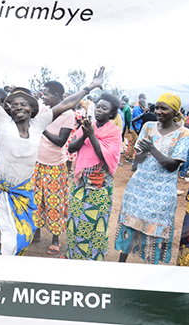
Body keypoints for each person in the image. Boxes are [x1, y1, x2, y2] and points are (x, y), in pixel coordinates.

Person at [0, 25, 103, 256]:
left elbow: (66, 104)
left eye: (24, 104)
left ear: (33, 109)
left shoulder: (39, 123)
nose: (18, 106)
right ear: (8, 109)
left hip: (23, 192)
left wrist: (89, 87)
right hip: (2, 189)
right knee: (2, 236)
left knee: (19, 238)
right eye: (14, 104)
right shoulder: (3, 121)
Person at [114, 93, 189, 264]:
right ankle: (121, 265)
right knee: (130, 225)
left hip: (161, 193)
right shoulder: (148, 127)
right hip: (138, 188)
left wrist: (152, 150)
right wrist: (141, 153)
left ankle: (151, 271)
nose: (159, 111)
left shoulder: (183, 133)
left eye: (164, 108)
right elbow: (137, 160)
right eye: (157, 107)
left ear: (175, 111)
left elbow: (172, 166)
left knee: (155, 231)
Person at [63, 94, 122, 261]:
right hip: (80, 182)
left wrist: (92, 135)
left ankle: (92, 258)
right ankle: (74, 255)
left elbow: (104, 156)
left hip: (100, 185)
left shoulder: (114, 132)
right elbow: (72, 148)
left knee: (95, 221)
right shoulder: (87, 127)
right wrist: (85, 134)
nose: (99, 110)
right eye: (98, 107)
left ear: (111, 114)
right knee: (75, 218)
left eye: (104, 108)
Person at [31, 81, 75, 256]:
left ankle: (56, 239)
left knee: (53, 202)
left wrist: (43, 129)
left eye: (47, 94)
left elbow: (60, 141)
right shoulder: (43, 110)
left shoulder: (68, 114)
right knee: (35, 200)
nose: (44, 96)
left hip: (55, 166)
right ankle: (36, 233)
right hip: (38, 163)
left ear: (57, 96)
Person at [124, 94, 147, 164]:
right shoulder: (137, 109)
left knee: (133, 142)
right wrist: (144, 112)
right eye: (144, 103)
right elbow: (138, 119)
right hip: (135, 128)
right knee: (133, 143)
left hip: (136, 128)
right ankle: (129, 157)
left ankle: (129, 156)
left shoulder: (139, 108)